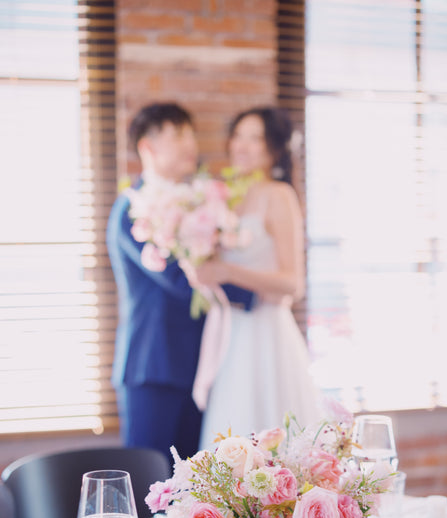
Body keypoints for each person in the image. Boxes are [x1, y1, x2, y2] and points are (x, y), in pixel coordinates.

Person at [107, 102, 254, 470]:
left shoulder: (197, 202)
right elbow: (178, 279)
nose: (190, 144)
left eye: (190, 133)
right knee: (150, 484)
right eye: (176, 135)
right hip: (153, 367)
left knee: (196, 485)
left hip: (201, 365)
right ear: (148, 147)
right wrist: (255, 295)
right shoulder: (133, 209)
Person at [184, 106, 319, 446]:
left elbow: (293, 284)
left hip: (268, 332)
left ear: (273, 148)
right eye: (239, 136)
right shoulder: (228, 195)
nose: (242, 146)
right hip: (232, 336)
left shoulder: (279, 195)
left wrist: (227, 271)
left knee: (274, 441)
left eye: (255, 138)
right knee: (232, 438)